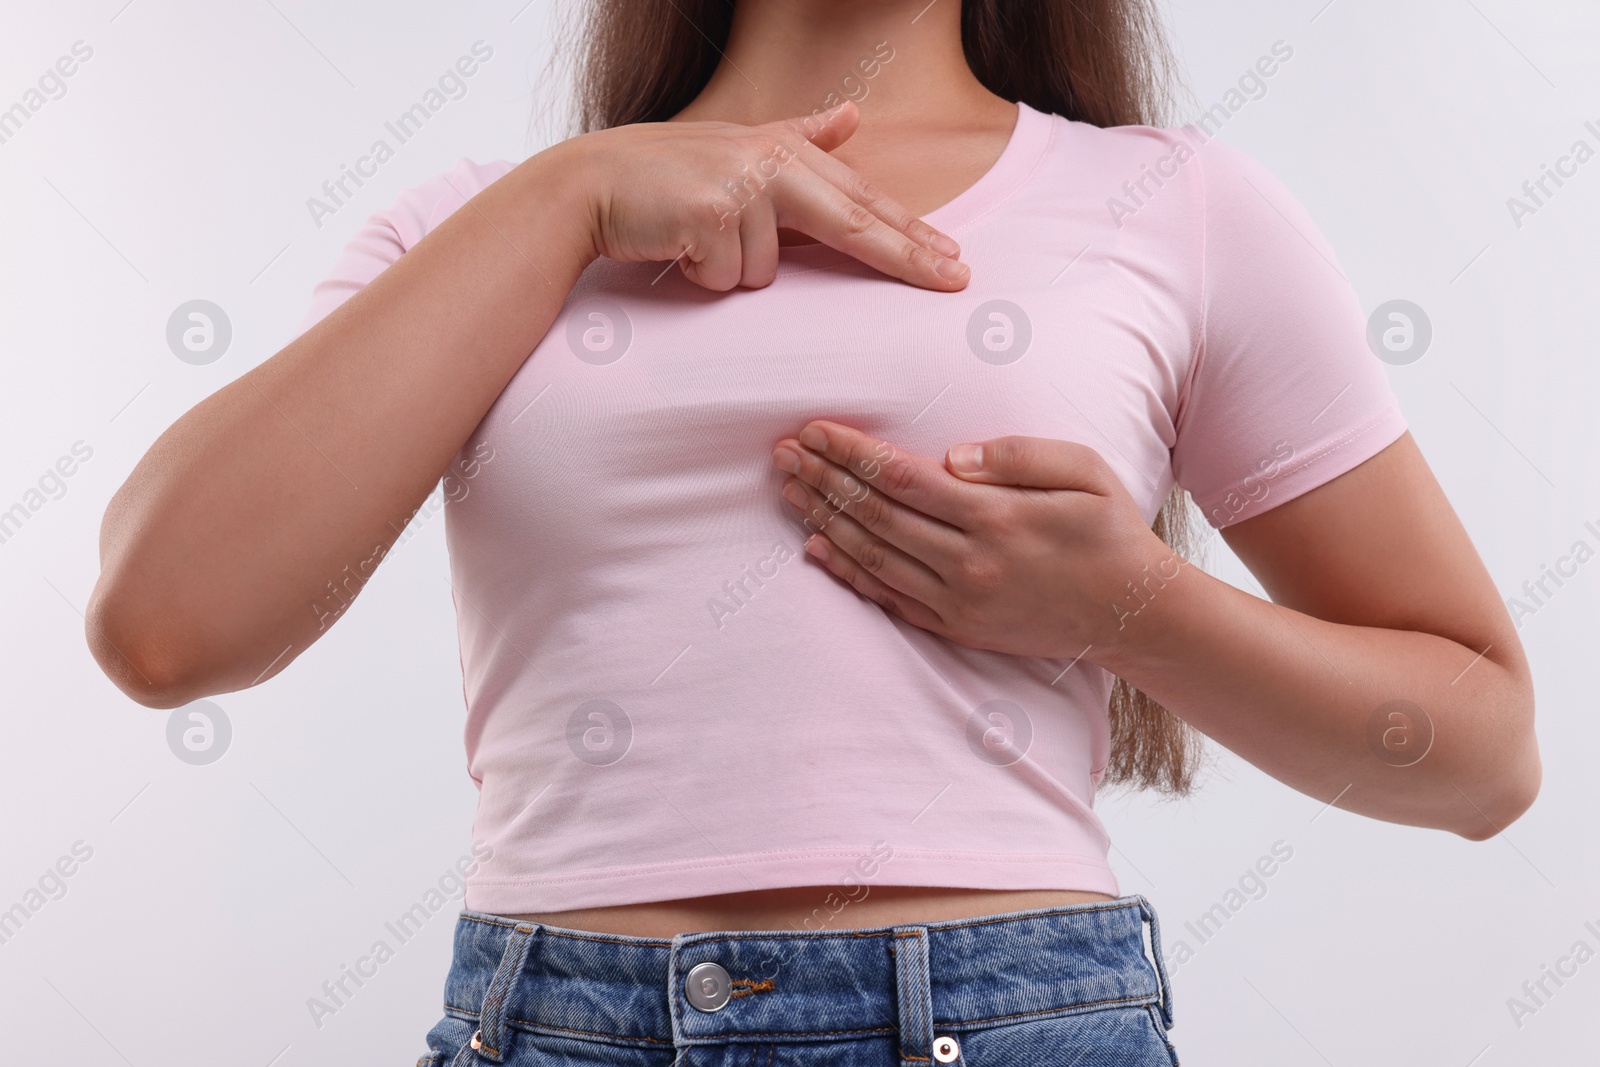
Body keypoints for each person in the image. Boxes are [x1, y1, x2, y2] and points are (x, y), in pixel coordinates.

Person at [86, 1, 1540, 1063]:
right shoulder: (483, 227)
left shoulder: (1175, 206)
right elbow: (167, 626)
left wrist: (1132, 609)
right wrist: (574, 195)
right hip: (552, 1022)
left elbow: (1480, 754)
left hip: (1008, 1022)